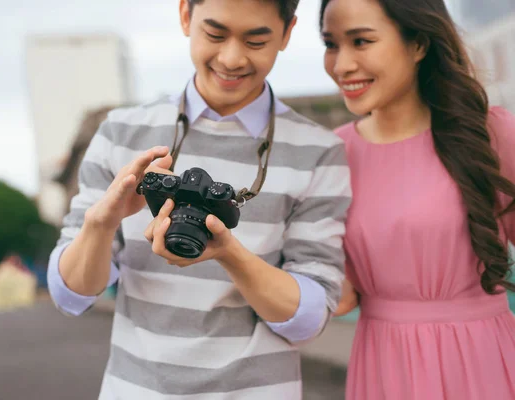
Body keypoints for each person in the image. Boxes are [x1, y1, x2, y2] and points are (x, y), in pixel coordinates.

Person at [47, 0, 352, 398]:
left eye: (256, 41)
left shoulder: (320, 151)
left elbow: (308, 318)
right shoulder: (120, 132)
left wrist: (228, 253)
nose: (231, 57)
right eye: (215, 34)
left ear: (287, 32)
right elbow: (71, 295)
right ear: (185, 16)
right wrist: (100, 224)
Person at [319, 0, 515, 398]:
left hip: (483, 365)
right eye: (332, 44)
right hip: (383, 369)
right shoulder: (332, 154)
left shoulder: (491, 133)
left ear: (419, 43)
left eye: (361, 41)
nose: (341, 65)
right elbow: (337, 296)